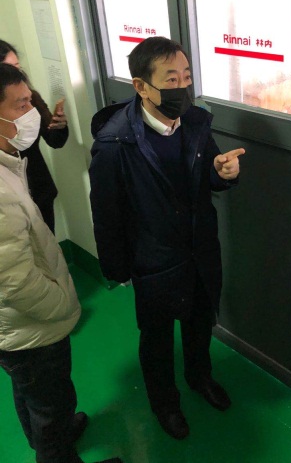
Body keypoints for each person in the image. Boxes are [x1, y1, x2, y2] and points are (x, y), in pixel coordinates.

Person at [89, 36, 245, 440]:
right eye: (171, 79)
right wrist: (118, 269)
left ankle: (199, 377)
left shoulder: (195, 121)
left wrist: (222, 174)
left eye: (186, 77)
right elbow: (106, 214)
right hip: (153, 258)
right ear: (141, 86)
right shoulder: (114, 144)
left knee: (199, 322)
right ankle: (165, 404)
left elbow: (206, 171)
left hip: (200, 248)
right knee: (157, 338)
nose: (182, 87)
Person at [0, 63, 122, 463]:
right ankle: (53, 447)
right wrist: (61, 306)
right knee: (49, 402)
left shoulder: (7, 161)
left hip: (16, 329)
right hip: (28, 327)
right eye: (21, 105)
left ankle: (48, 438)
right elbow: (14, 281)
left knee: (30, 393)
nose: (31, 112)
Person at [0, 39, 68, 233]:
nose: (15, 74)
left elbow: (55, 141)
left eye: (17, 67)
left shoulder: (31, 98)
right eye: (7, 69)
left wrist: (59, 126)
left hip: (39, 191)